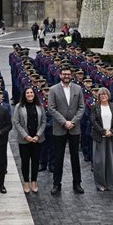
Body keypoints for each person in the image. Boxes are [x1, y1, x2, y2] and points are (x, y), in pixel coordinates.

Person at [47, 66, 85, 195]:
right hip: (60, 128)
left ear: (71, 75)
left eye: (68, 74)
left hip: (74, 128)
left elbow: (81, 107)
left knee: (75, 157)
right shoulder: (53, 90)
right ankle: (56, 184)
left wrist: (73, 121)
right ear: (60, 75)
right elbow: (51, 108)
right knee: (58, 157)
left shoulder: (78, 89)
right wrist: (64, 122)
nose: (66, 76)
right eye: (64, 74)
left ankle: (77, 183)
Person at [12, 87, 45, 194]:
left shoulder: (40, 106)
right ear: (24, 95)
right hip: (24, 139)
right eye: (27, 93)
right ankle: (26, 182)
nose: (30, 94)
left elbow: (44, 121)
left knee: (35, 161)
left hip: (37, 139)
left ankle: (34, 181)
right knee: (25, 161)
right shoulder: (19, 106)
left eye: (31, 92)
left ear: (34, 94)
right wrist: (25, 136)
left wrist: (38, 135)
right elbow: (16, 122)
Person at [90, 87, 113, 192]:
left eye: (105, 94)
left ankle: (111, 184)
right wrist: (104, 131)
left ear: (108, 95)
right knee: (100, 162)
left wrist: (112, 131)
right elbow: (94, 121)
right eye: (101, 94)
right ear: (98, 96)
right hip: (100, 138)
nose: (103, 96)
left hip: (112, 137)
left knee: (112, 161)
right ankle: (100, 184)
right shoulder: (95, 107)